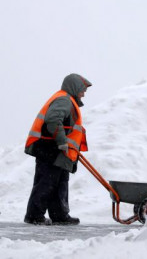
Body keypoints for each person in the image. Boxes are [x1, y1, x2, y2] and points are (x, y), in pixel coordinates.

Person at [23, 74, 92, 225]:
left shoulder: (68, 100)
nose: (84, 93)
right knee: (46, 183)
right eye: (82, 89)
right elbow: (53, 120)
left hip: (59, 151)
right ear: (74, 87)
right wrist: (62, 142)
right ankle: (34, 216)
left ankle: (59, 215)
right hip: (51, 149)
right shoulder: (64, 100)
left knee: (60, 183)